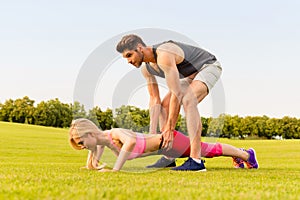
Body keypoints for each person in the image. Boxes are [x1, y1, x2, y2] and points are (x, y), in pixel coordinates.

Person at [116, 34, 222, 171]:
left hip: (207, 66)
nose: (129, 61)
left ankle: (196, 161)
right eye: (126, 58)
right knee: (164, 107)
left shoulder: (164, 54)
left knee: (188, 99)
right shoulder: (146, 69)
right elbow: (155, 100)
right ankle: (169, 156)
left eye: (129, 55)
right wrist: (152, 132)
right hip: (189, 76)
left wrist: (170, 128)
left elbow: (177, 94)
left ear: (139, 48)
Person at [69, 118, 259, 172]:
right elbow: (94, 152)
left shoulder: (115, 133)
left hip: (171, 142)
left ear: (91, 133)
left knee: (207, 150)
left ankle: (246, 154)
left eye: (81, 142)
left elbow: (132, 141)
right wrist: (91, 165)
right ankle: (241, 154)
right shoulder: (101, 142)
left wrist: (116, 169)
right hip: (167, 148)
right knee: (207, 149)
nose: (83, 146)